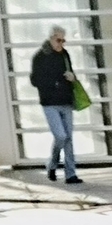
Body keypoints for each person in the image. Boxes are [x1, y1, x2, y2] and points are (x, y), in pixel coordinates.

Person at [28, 27, 82, 184]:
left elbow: (70, 71)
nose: (61, 43)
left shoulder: (64, 54)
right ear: (51, 38)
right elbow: (34, 80)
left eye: (63, 40)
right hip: (49, 102)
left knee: (69, 138)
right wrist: (54, 83)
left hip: (66, 100)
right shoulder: (40, 56)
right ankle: (52, 164)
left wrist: (72, 77)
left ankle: (70, 174)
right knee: (61, 136)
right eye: (59, 40)